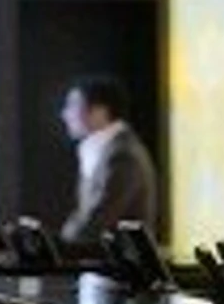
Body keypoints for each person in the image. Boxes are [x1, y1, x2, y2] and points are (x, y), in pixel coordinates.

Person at [57, 74, 159, 247]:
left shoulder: (122, 154)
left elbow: (99, 218)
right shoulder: (101, 149)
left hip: (119, 267)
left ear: (100, 112)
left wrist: (58, 245)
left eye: (73, 106)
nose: (65, 114)